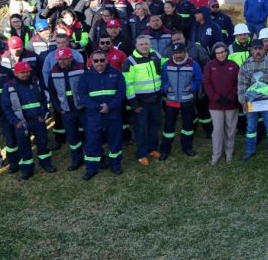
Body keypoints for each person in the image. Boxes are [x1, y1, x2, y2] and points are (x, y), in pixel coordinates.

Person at [1, 61, 56, 180]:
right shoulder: (8, 87)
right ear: (15, 73)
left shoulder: (36, 82)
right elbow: (6, 107)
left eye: (27, 72)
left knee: (43, 144)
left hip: (37, 120)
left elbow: (44, 100)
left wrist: (43, 115)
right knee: (23, 147)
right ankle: (27, 169)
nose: (25, 74)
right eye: (22, 72)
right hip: (21, 123)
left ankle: (46, 163)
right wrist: (16, 122)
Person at [78, 49, 127, 180]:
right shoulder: (85, 77)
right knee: (92, 142)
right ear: (91, 62)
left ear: (106, 60)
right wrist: (98, 107)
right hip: (94, 115)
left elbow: (121, 92)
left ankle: (115, 165)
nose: (99, 63)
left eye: (102, 60)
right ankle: (91, 168)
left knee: (115, 140)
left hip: (113, 114)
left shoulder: (116, 74)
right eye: (96, 60)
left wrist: (110, 106)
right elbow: (82, 96)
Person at [238, 39, 268, 162]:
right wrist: (243, 102)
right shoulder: (245, 65)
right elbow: (241, 85)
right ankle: (250, 150)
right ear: (251, 50)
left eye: (260, 48)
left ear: (264, 49)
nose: (258, 51)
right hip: (251, 103)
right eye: (255, 49)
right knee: (251, 127)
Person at [123, 35, 163, 166]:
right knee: (141, 128)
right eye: (141, 44)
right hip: (141, 101)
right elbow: (127, 84)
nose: (144, 46)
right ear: (136, 46)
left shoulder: (155, 54)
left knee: (154, 125)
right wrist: (134, 103)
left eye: (146, 43)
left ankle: (152, 149)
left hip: (156, 98)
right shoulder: (130, 61)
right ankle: (141, 154)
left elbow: (163, 65)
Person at [160, 43, 202, 160]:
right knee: (168, 126)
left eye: (180, 53)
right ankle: (165, 149)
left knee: (188, 126)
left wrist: (192, 87)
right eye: (176, 53)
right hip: (172, 100)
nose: (178, 55)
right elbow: (163, 79)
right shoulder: (166, 65)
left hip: (187, 100)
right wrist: (166, 88)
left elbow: (199, 79)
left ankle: (187, 147)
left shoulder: (193, 64)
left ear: (185, 52)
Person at [47, 47, 87, 171]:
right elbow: (52, 92)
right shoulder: (53, 71)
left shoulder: (81, 68)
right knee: (72, 138)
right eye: (59, 59)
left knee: (90, 134)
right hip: (66, 110)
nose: (61, 62)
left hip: (82, 108)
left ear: (71, 58)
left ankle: (96, 158)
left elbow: (89, 85)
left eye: (64, 59)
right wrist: (59, 108)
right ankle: (77, 160)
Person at [203, 42, 240, 165]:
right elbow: (207, 84)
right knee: (218, 130)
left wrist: (231, 97)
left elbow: (238, 83)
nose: (221, 55)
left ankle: (229, 153)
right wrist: (216, 98)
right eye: (218, 53)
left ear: (226, 52)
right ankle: (216, 154)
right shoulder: (209, 66)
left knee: (230, 129)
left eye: (223, 52)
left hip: (231, 103)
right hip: (215, 104)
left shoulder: (233, 65)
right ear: (214, 54)